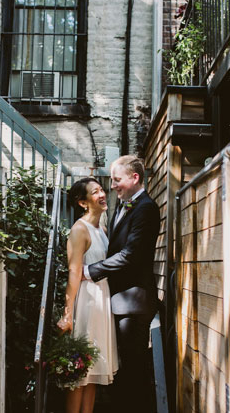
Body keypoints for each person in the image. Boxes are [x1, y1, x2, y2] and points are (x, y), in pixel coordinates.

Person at [84, 155, 161, 412]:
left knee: (133, 371)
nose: (113, 185)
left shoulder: (146, 208)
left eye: (117, 180)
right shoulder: (122, 205)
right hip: (117, 301)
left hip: (133, 303)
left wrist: (90, 271)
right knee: (122, 370)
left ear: (134, 177)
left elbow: (130, 255)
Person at [57, 177, 118, 413]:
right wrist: (68, 315)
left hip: (102, 301)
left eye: (102, 189)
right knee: (79, 374)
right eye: (95, 192)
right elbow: (74, 275)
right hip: (86, 304)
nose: (102, 194)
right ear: (83, 203)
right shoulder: (79, 230)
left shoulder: (101, 229)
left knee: (92, 373)